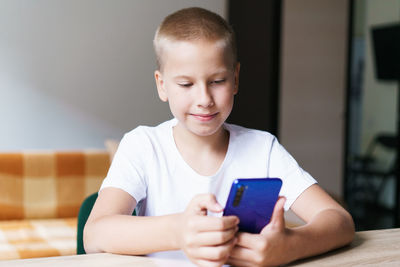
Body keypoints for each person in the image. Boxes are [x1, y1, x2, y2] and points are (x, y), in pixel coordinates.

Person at [84, 7, 355, 267]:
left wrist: (291, 246)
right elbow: (94, 235)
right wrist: (179, 231)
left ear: (235, 79)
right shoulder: (143, 146)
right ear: (162, 84)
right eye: (186, 84)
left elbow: (339, 221)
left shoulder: (263, 149)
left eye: (217, 81)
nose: (204, 99)